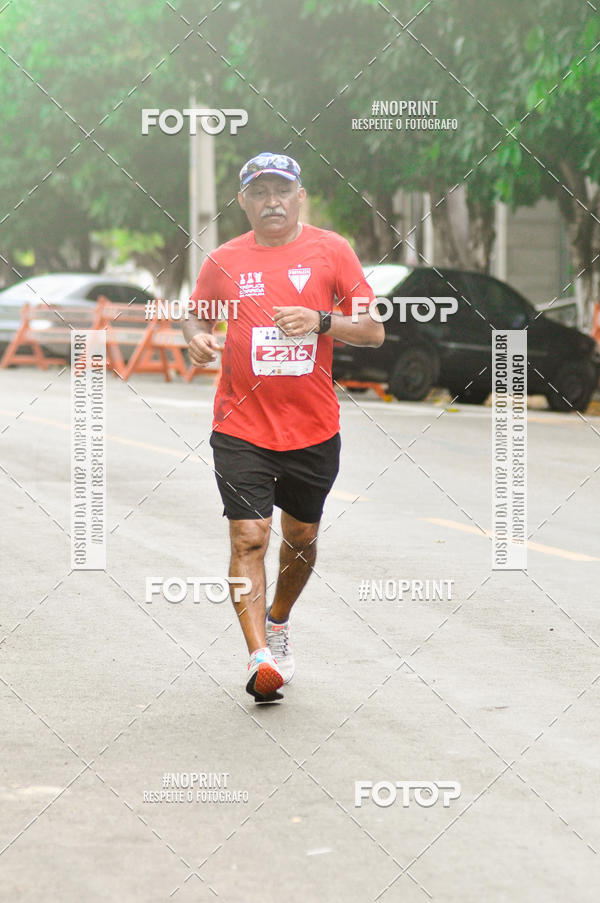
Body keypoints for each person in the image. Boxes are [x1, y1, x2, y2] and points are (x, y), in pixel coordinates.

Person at [183, 151, 383, 702]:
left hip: (313, 430)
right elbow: (195, 313)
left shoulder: (331, 251)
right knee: (249, 536)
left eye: (282, 191)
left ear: (300, 197)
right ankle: (258, 658)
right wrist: (195, 336)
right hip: (240, 425)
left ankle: (278, 620)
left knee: (300, 540)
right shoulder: (224, 259)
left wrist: (321, 320)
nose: (272, 200)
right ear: (244, 201)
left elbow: (372, 331)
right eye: (260, 192)